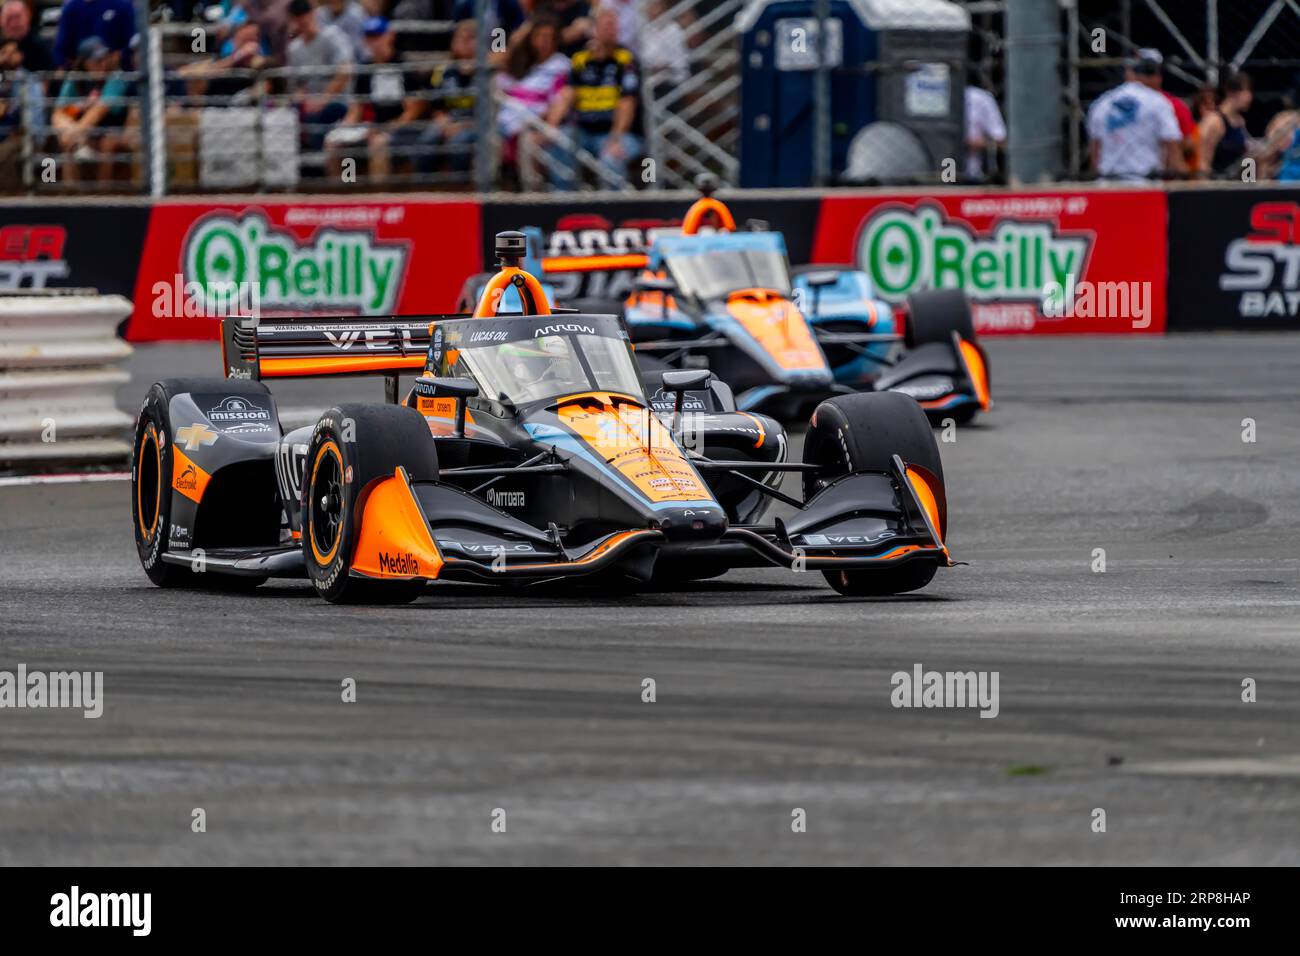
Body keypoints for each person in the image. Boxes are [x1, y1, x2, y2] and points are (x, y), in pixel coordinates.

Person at [544, 6, 640, 190]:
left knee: (611, 158)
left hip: (619, 133)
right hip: (584, 131)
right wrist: (551, 126)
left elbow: (627, 102)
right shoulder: (581, 59)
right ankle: (562, 201)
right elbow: (566, 95)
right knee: (558, 142)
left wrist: (616, 138)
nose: (610, 30)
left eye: (613, 26)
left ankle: (613, 209)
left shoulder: (626, 58)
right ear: (594, 29)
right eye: (606, 26)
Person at [326, 17, 427, 181]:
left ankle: (379, 197)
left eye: (378, 36)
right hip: (374, 127)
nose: (374, 42)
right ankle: (345, 188)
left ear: (390, 36)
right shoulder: (365, 69)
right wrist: (344, 128)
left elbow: (413, 110)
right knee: (336, 143)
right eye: (370, 37)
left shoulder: (404, 67)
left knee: (378, 144)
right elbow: (356, 109)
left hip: (405, 128)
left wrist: (388, 129)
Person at [1086, 49, 1181, 182]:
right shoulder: (1158, 102)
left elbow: (1095, 153)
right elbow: (1172, 145)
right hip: (1144, 186)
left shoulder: (1102, 103)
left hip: (1108, 187)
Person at [51, 35, 134, 183]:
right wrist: (79, 108)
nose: (102, 64)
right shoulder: (76, 80)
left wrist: (75, 132)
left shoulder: (115, 77)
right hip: (85, 135)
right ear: (85, 63)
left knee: (107, 144)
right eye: (97, 61)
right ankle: (71, 195)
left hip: (115, 131)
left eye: (104, 59)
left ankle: (103, 195)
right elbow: (58, 114)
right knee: (67, 142)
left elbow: (100, 110)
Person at [497, 13, 569, 181]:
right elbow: (496, 57)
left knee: (527, 142)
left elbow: (558, 101)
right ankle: (491, 190)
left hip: (534, 122)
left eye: (548, 37)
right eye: (539, 36)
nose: (543, 41)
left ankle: (530, 195)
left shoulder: (561, 65)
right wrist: (519, 38)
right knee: (487, 139)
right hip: (506, 121)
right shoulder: (500, 35)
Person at [286, 0, 354, 150]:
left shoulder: (333, 36)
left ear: (312, 13)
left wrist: (322, 99)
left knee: (316, 119)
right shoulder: (294, 49)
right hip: (310, 104)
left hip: (337, 100)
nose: (302, 19)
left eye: (305, 14)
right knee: (288, 114)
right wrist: (302, 100)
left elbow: (345, 72)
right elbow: (299, 86)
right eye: (298, 16)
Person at [1198, 71, 1253, 180]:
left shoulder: (1240, 121)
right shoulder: (1214, 122)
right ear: (1231, 93)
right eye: (1247, 91)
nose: (1250, 97)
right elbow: (1202, 162)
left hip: (1236, 187)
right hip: (1217, 188)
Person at [53, 0, 136, 69]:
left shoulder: (123, 5)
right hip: (82, 77)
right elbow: (60, 52)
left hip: (119, 74)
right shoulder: (71, 8)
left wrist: (116, 57)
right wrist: (79, 66)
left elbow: (133, 44)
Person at [964, 83, 1005, 181]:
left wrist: (973, 143)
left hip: (970, 174)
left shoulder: (979, 97)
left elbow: (1000, 139)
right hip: (936, 172)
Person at [2, 0, 53, 72]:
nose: (14, 24)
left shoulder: (40, 47)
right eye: (9, 19)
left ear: (28, 17)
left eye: (17, 18)